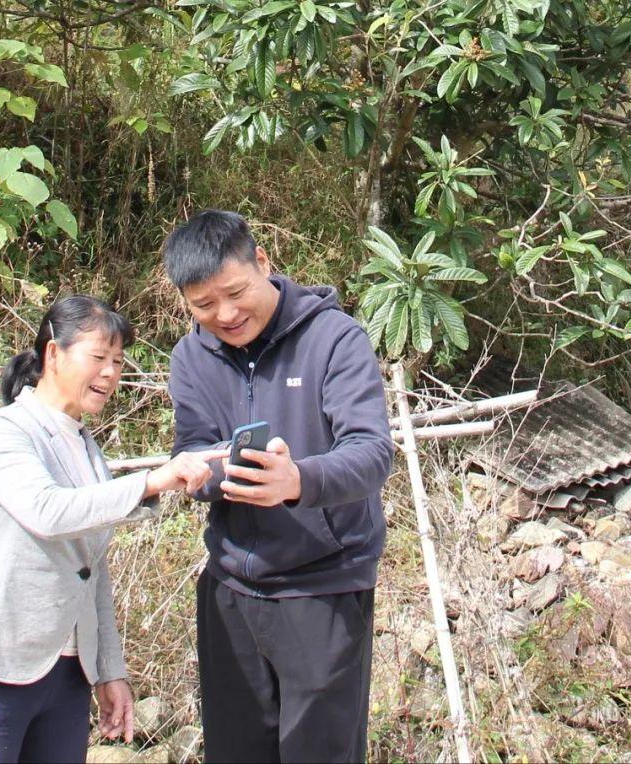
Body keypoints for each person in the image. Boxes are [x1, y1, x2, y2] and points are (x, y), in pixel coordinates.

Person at [0, 295, 226, 764]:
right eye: (98, 358)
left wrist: (109, 670)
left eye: (118, 361)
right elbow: (47, 512)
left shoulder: (86, 445)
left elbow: (92, 570)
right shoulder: (5, 431)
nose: (110, 373)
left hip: (69, 674)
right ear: (54, 353)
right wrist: (153, 481)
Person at [164, 211, 394, 762]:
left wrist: (297, 480)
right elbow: (191, 448)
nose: (225, 314)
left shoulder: (335, 339)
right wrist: (207, 474)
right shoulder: (191, 358)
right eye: (203, 305)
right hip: (230, 590)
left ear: (262, 262)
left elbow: (371, 452)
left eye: (235, 292)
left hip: (324, 586)